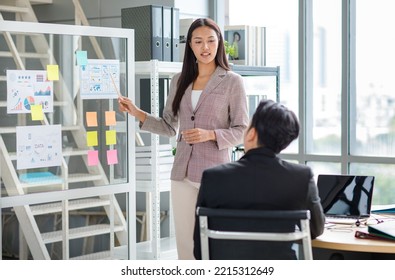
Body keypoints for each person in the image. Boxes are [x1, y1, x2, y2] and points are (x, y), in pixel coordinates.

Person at [118, 18, 249, 260]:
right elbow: (169, 127)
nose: (205, 47)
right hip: (182, 174)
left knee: (215, 240)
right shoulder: (180, 80)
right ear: (189, 45)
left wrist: (210, 134)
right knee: (186, 245)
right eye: (198, 41)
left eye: (211, 40)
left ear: (219, 43)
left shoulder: (232, 81)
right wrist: (137, 112)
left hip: (215, 173)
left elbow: (241, 129)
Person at [193, 99, 325, 259]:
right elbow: (315, 230)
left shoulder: (213, 177)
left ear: (252, 134)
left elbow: (200, 250)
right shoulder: (300, 177)